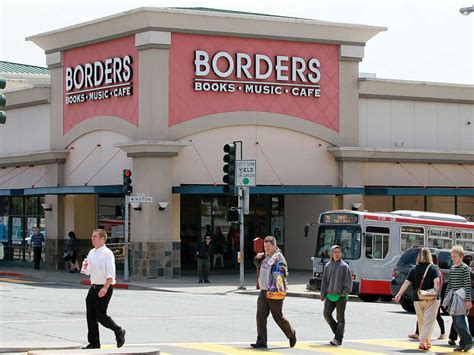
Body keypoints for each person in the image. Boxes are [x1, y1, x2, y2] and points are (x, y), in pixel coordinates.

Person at [81, 229, 125, 349]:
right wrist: (85, 267)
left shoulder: (107, 253)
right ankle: (94, 343)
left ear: (102, 239)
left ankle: (118, 330)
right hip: (93, 287)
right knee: (90, 316)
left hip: (104, 287)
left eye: (95, 236)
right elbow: (88, 271)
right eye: (92, 236)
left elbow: (111, 274)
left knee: (101, 316)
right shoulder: (91, 252)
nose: (92, 238)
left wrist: (105, 288)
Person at [251, 236, 296, 349]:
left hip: (274, 291)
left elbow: (285, 271)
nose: (266, 249)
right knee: (260, 316)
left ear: (274, 246)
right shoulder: (265, 256)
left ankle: (291, 334)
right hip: (264, 291)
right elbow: (257, 264)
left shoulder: (278, 256)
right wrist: (257, 258)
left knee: (278, 317)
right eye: (265, 246)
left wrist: (278, 266)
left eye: (268, 246)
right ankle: (261, 341)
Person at [395, 248, 440, 351]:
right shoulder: (433, 268)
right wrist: (436, 290)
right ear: (429, 256)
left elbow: (407, 282)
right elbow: (437, 282)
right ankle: (423, 341)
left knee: (421, 322)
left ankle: (426, 342)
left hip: (417, 298)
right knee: (429, 321)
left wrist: (399, 294)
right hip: (432, 299)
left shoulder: (414, 269)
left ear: (419, 257)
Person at [320, 245, 353, 346]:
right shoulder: (327, 266)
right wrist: (323, 294)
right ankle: (339, 332)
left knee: (340, 319)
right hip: (330, 295)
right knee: (326, 314)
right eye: (335, 252)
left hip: (341, 297)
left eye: (339, 252)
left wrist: (343, 293)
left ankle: (338, 339)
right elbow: (324, 281)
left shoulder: (344, 266)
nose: (337, 254)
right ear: (331, 253)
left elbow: (348, 283)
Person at [408, 254, 445, 341]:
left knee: (437, 315)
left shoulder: (435, 270)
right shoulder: (434, 269)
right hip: (430, 296)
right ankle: (418, 333)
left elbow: (439, 283)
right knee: (422, 316)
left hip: (432, 297)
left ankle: (442, 333)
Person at [443, 247, 472, 351]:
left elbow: (467, 285)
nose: (453, 258)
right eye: (452, 256)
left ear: (461, 257)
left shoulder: (465, 268)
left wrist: (468, 300)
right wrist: (446, 299)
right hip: (454, 297)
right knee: (455, 322)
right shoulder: (452, 268)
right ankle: (463, 343)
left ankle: (468, 341)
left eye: (455, 256)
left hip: (461, 297)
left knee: (460, 321)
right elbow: (450, 285)